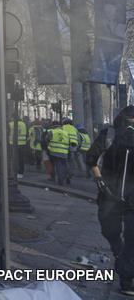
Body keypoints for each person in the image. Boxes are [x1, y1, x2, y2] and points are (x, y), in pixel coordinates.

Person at [87, 105, 134, 295]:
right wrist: (98, 178)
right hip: (110, 196)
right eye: (128, 122)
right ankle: (119, 254)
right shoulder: (110, 134)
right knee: (110, 231)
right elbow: (91, 157)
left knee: (132, 241)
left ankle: (126, 280)